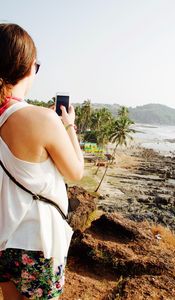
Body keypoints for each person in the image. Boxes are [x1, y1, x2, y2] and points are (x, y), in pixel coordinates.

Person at [0, 23, 84, 300]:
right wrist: (68, 126)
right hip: (36, 242)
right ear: (29, 66)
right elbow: (76, 172)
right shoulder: (42, 119)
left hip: (3, 241)